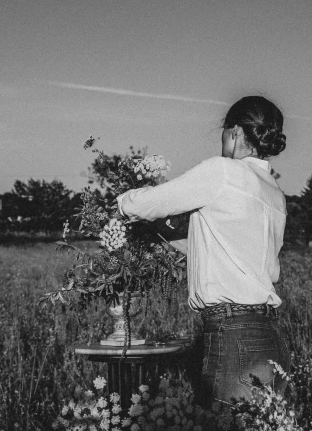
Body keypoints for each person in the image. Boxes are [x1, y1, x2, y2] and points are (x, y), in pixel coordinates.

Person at [116, 95, 291, 407]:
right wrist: (160, 231)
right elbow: (222, 250)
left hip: (233, 332)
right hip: (269, 336)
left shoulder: (223, 171)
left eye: (224, 132)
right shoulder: (273, 192)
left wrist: (123, 200)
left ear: (235, 132)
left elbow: (145, 203)